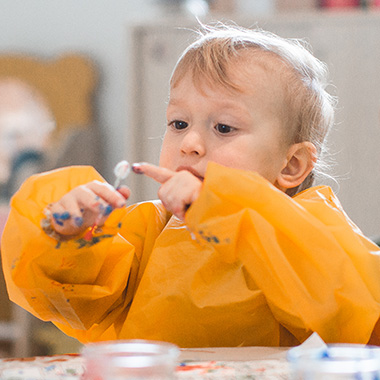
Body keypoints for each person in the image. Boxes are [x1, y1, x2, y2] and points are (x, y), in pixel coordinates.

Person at [2, 23, 380, 348]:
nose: (189, 143)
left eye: (224, 128)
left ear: (292, 164)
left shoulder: (309, 227)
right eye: (179, 123)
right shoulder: (151, 228)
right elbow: (75, 301)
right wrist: (68, 235)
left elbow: (350, 309)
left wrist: (224, 207)